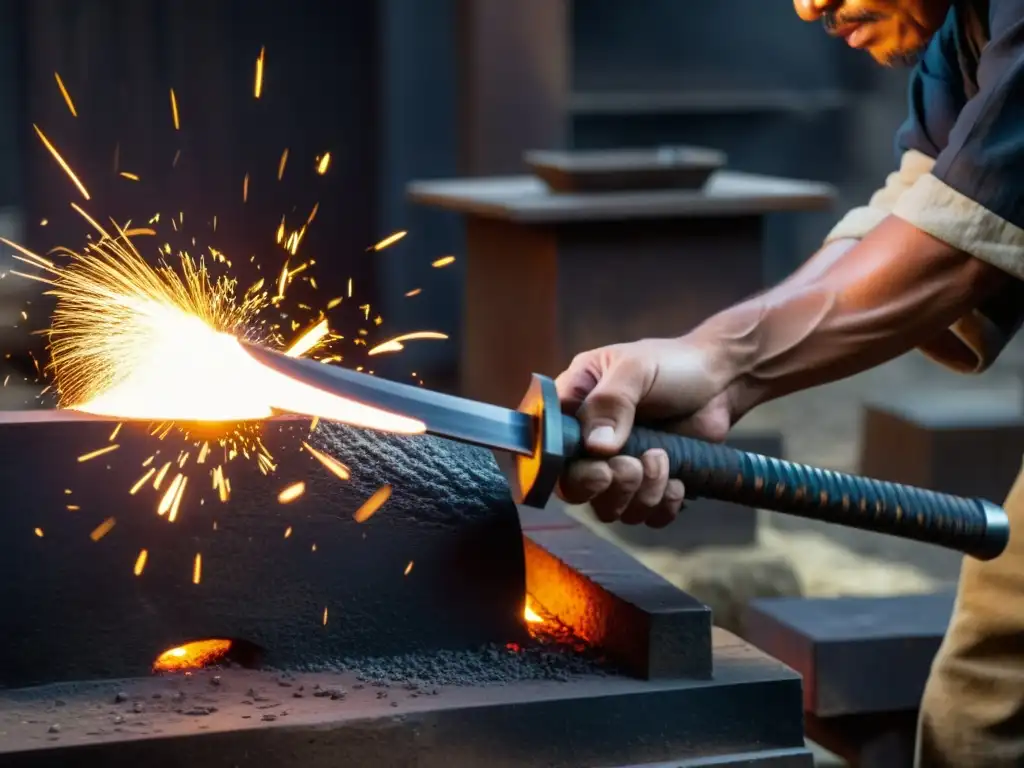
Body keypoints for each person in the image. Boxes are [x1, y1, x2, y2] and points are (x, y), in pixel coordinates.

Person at [555, 0, 1024, 764]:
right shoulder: (962, 33)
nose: (810, 4)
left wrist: (727, 365)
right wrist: (710, 367)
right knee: (988, 695)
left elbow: (963, 241)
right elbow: (918, 212)